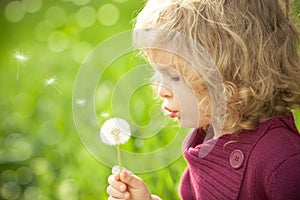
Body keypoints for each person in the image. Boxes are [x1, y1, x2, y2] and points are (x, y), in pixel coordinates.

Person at [106, 0, 300, 199]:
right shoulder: (206, 141)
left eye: (174, 76)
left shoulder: (284, 162)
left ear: (230, 73)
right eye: (157, 73)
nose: (160, 90)